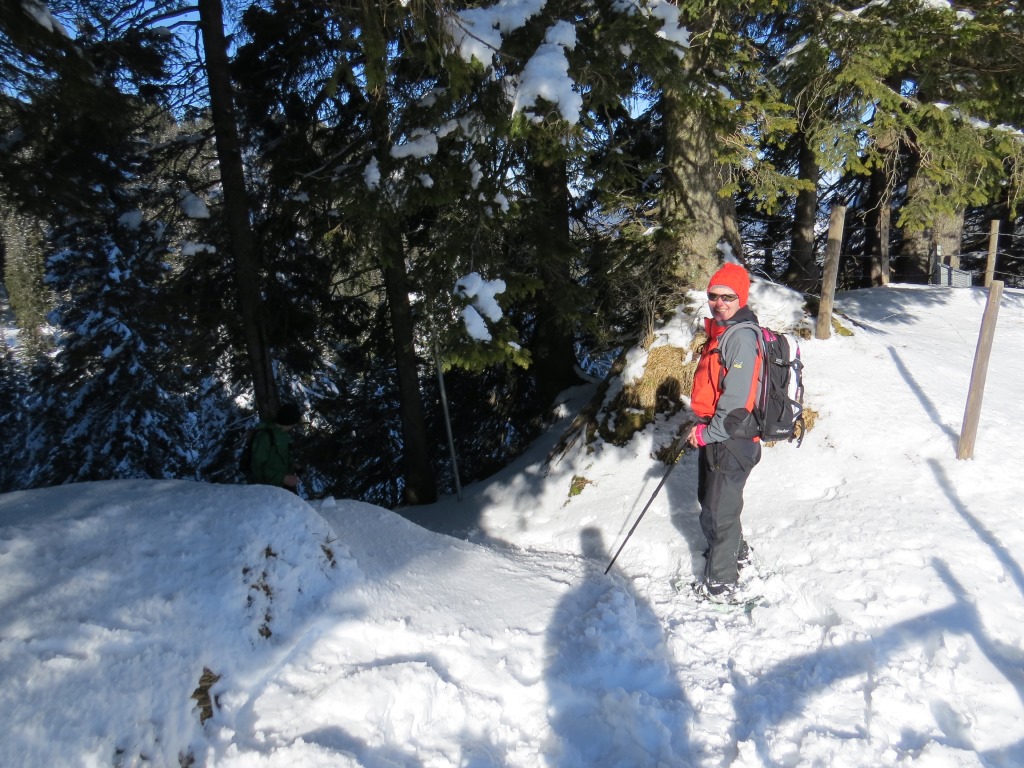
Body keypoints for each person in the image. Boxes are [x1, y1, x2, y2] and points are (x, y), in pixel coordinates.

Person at [686, 262, 762, 602]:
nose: (719, 302)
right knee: (715, 502)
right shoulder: (724, 332)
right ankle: (735, 553)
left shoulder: (741, 337)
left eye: (727, 296)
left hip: (732, 438)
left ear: (741, 297)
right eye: (713, 296)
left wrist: (707, 433)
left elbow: (736, 402)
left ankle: (721, 583)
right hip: (721, 435)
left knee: (719, 511)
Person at [250, 402, 302, 492]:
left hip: (283, 486)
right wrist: (283, 478)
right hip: (268, 489)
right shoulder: (265, 437)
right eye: (294, 423)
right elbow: (257, 467)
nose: (294, 426)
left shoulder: (284, 435)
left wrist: (293, 465)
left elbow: (282, 457)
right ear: (289, 422)